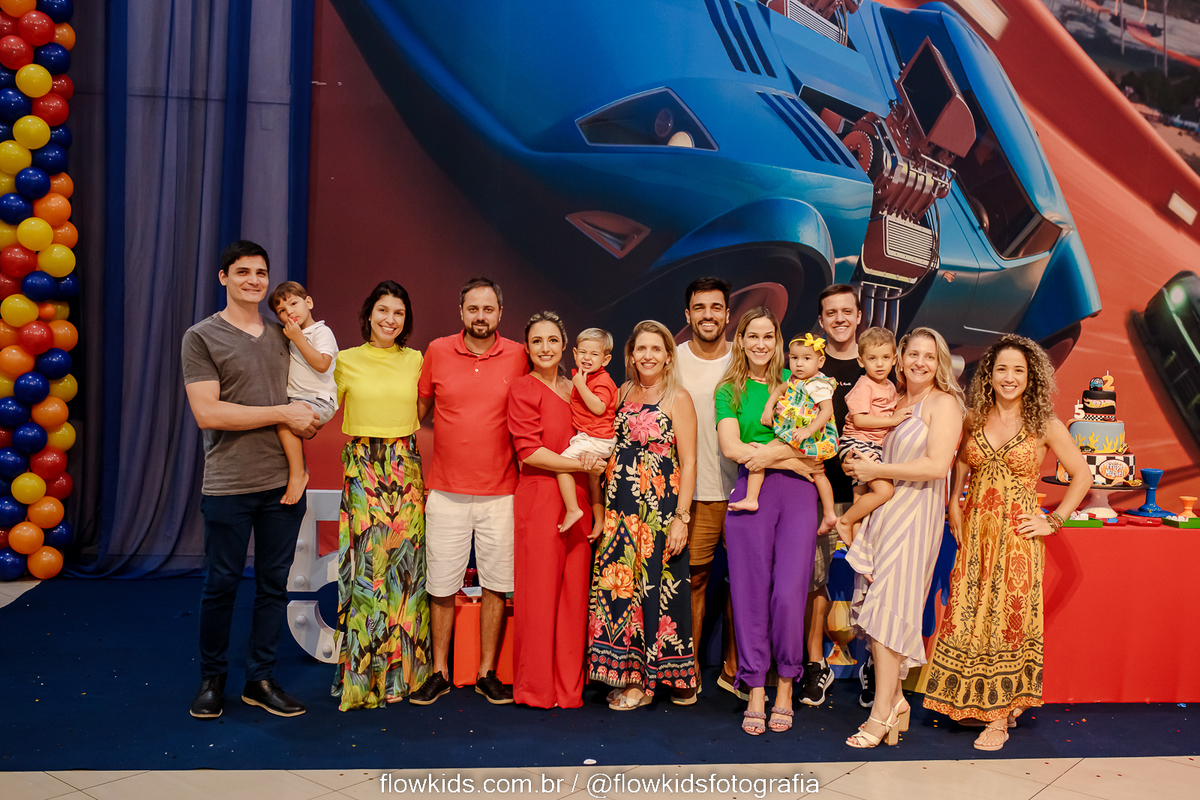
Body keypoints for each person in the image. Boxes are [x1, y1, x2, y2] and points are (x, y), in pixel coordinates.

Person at [923, 334, 1089, 751]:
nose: (1009, 377)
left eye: (1018, 370)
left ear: (1031, 376)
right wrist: (954, 504)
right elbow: (961, 463)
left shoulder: (1044, 425)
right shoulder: (974, 418)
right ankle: (974, 702)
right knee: (969, 615)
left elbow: (1082, 475)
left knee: (1004, 621)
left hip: (1016, 541)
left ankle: (998, 717)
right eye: (1002, 369)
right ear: (989, 375)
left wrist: (1054, 520)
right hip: (975, 535)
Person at [181, 240, 320, 720]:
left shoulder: (286, 333)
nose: (254, 281)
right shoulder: (201, 337)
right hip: (229, 483)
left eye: (261, 273)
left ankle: (260, 680)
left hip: (284, 483)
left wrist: (311, 419)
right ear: (224, 277)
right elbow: (208, 412)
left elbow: (310, 393)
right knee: (221, 584)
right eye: (242, 272)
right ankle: (211, 680)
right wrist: (284, 413)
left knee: (273, 585)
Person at [842, 326, 965, 748]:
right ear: (900, 357)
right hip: (884, 514)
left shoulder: (944, 403)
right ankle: (895, 702)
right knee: (879, 613)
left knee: (889, 610)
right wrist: (857, 464)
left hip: (916, 517)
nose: (920, 362)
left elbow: (936, 466)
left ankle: (881, 714)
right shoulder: (894, 401)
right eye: (913, 354)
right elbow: (867, 445)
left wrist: (876, 470)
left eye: (929, 356)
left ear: (939, 362)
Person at [410, 277, 528, 705]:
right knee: (441, 584)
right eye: (473, 309)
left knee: (497, 583)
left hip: (502, 492)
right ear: (461, 312)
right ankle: (439, 672)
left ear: (500, 313)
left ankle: (486, 673)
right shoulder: (438, 351)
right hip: (446, 491)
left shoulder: (520, 354)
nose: (481, 316)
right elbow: (418, 411)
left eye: (488, 309)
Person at [717, 308, 822, 735]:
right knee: (749, 594)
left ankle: (786, 685)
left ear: (777, 341)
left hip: (798, 494)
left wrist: (788, 458)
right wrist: (787, 458)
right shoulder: (729, 390)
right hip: (751, 491)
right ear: (741, 340)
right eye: (752, 336)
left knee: (789, 595)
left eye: (768, 336)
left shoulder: (797, 379)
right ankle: (756, 687)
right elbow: (731, 447)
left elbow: (819, 443)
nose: (760, 344)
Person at [330, 280, 431, 710]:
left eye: (399, 313)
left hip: (405, 465)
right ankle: (363, 679)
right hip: (364, 467)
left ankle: (403, 677)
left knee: (406, 572)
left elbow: (425, 408)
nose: (390, 319)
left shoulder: (416, 360)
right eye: (383, 310)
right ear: (368, 314)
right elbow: (319, 406)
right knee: (369, 570)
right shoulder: (345, 360)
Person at [588, 320, 698, 710]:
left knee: (654, 593)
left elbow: (689, 461)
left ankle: (645, 684)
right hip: (620, 513)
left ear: (668, 355)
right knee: (621, 591)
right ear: (631, 355)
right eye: (641, 349)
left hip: (658, 514)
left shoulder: (678, 397)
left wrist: (682, 517)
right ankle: (625, 673)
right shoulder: (620, 392)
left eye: (656, 349)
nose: (647, 355)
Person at [507, 312, 604, 708]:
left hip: (578, 498)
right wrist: (582, 466)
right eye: (536, 341)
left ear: (566, 346)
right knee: (538, 596)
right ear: (527, 348)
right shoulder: (522, 388)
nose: (545, 348)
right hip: (539, 498)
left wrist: (596, 504)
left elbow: (593, 444)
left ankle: (568, 689)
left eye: (552, 340)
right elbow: (530, 452)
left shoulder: (581, 388)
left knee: (573, 598)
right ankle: (535, 688)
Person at [675, 278, 740, 699]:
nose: (708, 315)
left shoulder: (745, 357)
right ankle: (689, 669)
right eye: (700, 308)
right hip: (695, 494)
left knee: (744, 584)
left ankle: (738, 669)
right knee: (694, 581)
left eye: (716, 307)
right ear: (688, 315)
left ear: (728, 314)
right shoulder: (674, 360)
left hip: (745, 491)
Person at [800, 284, 865, 708]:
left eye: (847, 311)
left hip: (868, 495)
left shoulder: (878, 362)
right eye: (831, 313)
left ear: (858, 316)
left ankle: (874, 666)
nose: (839, 318)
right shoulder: (807, 366)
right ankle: (814, 664)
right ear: (821, 321)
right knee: (814, 580)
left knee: (874, 579)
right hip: (817, 493)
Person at [728, 332, 838, 519]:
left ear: (820, 362)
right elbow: (779, 390)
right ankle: (751, 499)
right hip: (791, 433)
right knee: (761, 455)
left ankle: (829, 513)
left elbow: (827, 411)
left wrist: (808, 430)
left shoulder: (818, 385)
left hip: (811, 436)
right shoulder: (793, 379)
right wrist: (768, 409)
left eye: (806, 358)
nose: (799, 364)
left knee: (818, 473)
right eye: (794, 358)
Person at [833, 327, 908, 545]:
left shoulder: (890, 386)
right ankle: (845, 521)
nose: (879, 364)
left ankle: (857, 545)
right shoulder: (864, 386)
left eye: (885, 357)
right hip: (857, 443)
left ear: (894, 359)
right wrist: (892, 420)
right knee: (884, 491)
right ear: (861, 360)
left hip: (873, 445)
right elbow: (860, 420)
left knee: (861, 497)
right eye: (872, 358)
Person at [268, 281, 339, 505]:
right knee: (280, 419)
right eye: (281, 310)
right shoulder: (291, 335)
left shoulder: (321, 331)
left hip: (319, 400)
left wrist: (298, 338)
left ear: (308, 302)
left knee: (283, 419)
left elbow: (322, 364)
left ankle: (298, 473)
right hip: (298, 400)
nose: (289, 311)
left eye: (293, 303)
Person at [555, 327, 618, 535]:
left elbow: (599, 407)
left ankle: (573, 509)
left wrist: (580, 385)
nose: (587, 358)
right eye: (583, 352)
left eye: (594, 354)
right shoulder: (584, 378)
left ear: (606, 360)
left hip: (597, 439)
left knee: (561, 464)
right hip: (589, 437)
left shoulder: (602, 380)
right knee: (592, 480)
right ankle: (599, 520)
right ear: (574, 353)